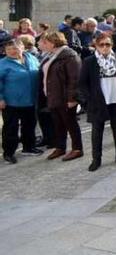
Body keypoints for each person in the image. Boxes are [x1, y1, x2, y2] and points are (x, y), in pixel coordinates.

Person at [78, 32, 116, 171]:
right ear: (96, 46)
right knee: (97, 132)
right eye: (102, 45)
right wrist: (89, 99)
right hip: (98, 101)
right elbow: (82, 83)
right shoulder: (89, 61)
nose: (105, 47)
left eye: (108, 44)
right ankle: (96, 159)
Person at [38, 31, 83, 161]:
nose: (42, 44)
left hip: (65, 97)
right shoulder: (51, 55)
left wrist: (72, 98)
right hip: (53, 95)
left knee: (70, 123)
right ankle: (60, 147)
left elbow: (74, 79)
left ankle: (77, 149)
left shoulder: (69, 56)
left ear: (53, 42)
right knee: (58, 124)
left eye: (45, 42)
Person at [0, 36, 42, 163]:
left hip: (31, 100)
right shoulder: (2, 64)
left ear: (22, 47)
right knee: (10, 128)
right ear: (4, 51)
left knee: (29, 125)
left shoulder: (31, 58)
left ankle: (28, 147)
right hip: (11, 102)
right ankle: (8, 153)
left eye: (15, 48)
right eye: (9, 49)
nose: (12, 51)